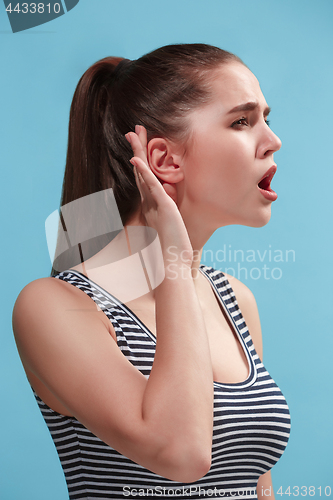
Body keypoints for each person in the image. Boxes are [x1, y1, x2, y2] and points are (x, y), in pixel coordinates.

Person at [12, 44, 291, 500]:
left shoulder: (234, 299)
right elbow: (181, 454)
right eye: (242, 121)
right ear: (165, 161)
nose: (272, 139)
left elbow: (257, 489)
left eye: (266, 117)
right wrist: (176, 261)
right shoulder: (55, 306)